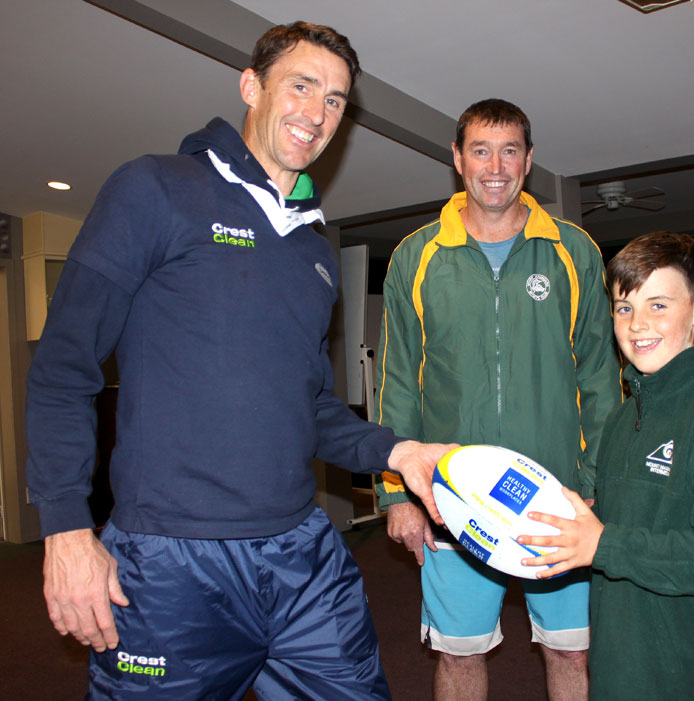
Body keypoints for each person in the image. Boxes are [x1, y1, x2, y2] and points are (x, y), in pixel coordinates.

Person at [25, 21, 455, 700]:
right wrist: (66, 528)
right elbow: (63, 366)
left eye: (337, 100)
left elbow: (307, 405)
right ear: (251, 86)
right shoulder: (155, 189)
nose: (317, 113)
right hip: (170, 562)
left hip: (302, 555)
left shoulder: (314, 249)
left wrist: (399, 452)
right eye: (302, 85)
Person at [375, 98, 621, 700]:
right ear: (458, 160)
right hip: (450, 498)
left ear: (529, 161)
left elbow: (600, 375)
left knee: (572, 651)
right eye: (480, 149)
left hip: (559, 499)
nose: (495, 165)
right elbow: (398, 380)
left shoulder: (572, 250)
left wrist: (598, 481)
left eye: (510, 150)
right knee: (458, 658)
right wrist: (395, 495)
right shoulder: (417, 255)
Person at [521, 232, 694, 700]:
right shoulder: (622, 418)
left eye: (659, 305)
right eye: (624, 308)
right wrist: (577, 533)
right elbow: (621, 534)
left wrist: (605, 543)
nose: (638, 324)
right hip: (623, 665)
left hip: (691, 675)